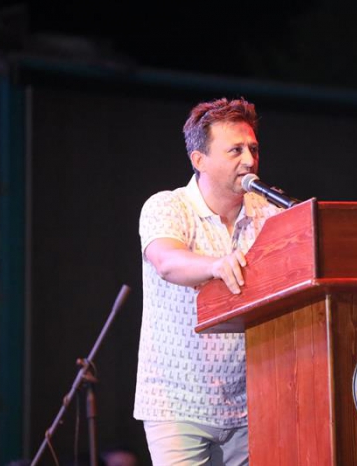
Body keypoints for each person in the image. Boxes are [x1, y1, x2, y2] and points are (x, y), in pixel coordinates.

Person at [134, 97, 283, 465]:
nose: (249, 160)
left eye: (252, 149)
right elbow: (167, 261)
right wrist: (216, 265)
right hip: (177, 406)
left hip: (250, 407)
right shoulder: (168, 206)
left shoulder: (271, 214)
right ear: (199, 160)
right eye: (235, 150)